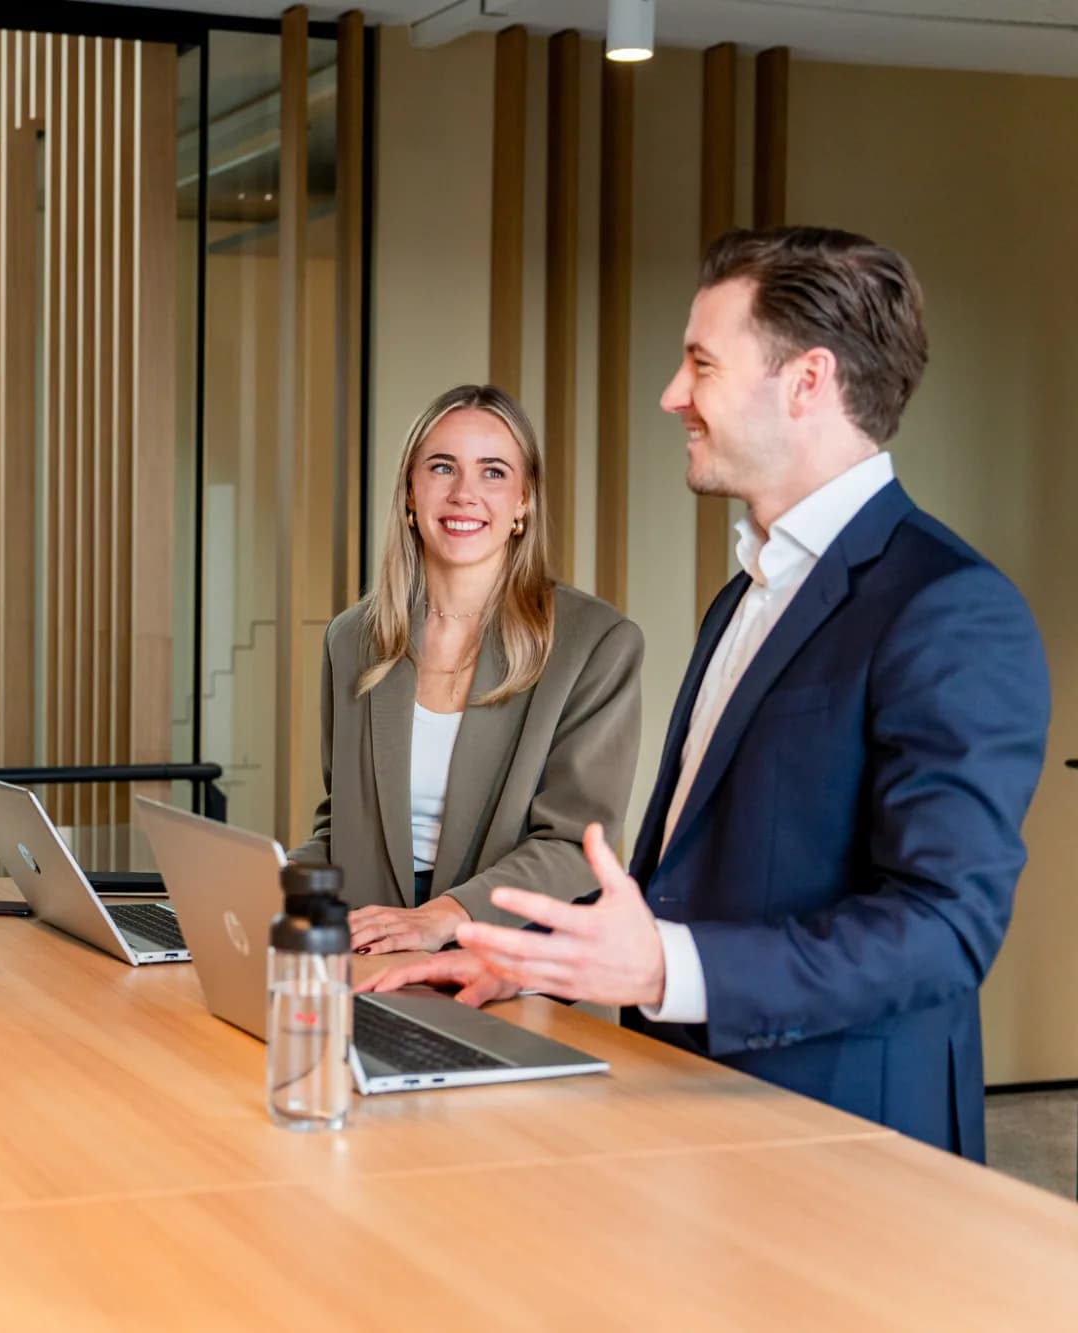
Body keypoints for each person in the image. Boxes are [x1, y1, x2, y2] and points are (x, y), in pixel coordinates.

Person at [362, 227, 1050, 1160]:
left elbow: (943, 929)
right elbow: (709, 876)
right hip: (693, 1117)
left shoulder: (949, 606)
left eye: (701, 364)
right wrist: (536, 953)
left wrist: (666, 966)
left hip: (844, 1150)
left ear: (807, 381)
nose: (672, 396)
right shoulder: (744, 595)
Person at [290, 384, 643, 956]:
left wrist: (443, 918)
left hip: (522, 965)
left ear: (524, 500)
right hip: (372, 958)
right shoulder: (352, 639)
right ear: (410, 491)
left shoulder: (596, 643)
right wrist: (269, 883)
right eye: (442, 467)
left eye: (494, 472)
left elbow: (574, 844)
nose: (464, 494)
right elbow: (341, 825)